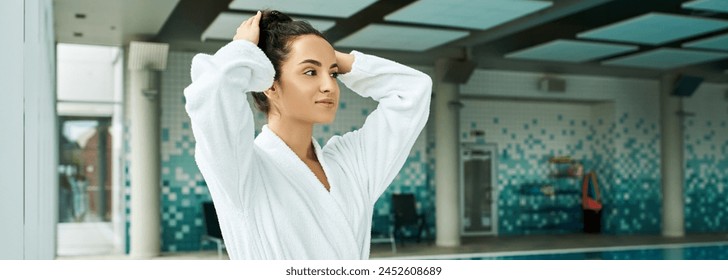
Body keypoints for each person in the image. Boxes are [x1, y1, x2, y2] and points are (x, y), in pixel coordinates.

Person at [184, 10, 431, 259]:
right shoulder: (240, 170)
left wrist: (327, 56)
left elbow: (413, 90)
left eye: (333, 73)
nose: (329, 86)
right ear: (270, 85)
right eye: (311, 72)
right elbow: (212, 92)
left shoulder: (350, 164)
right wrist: (243, 49)